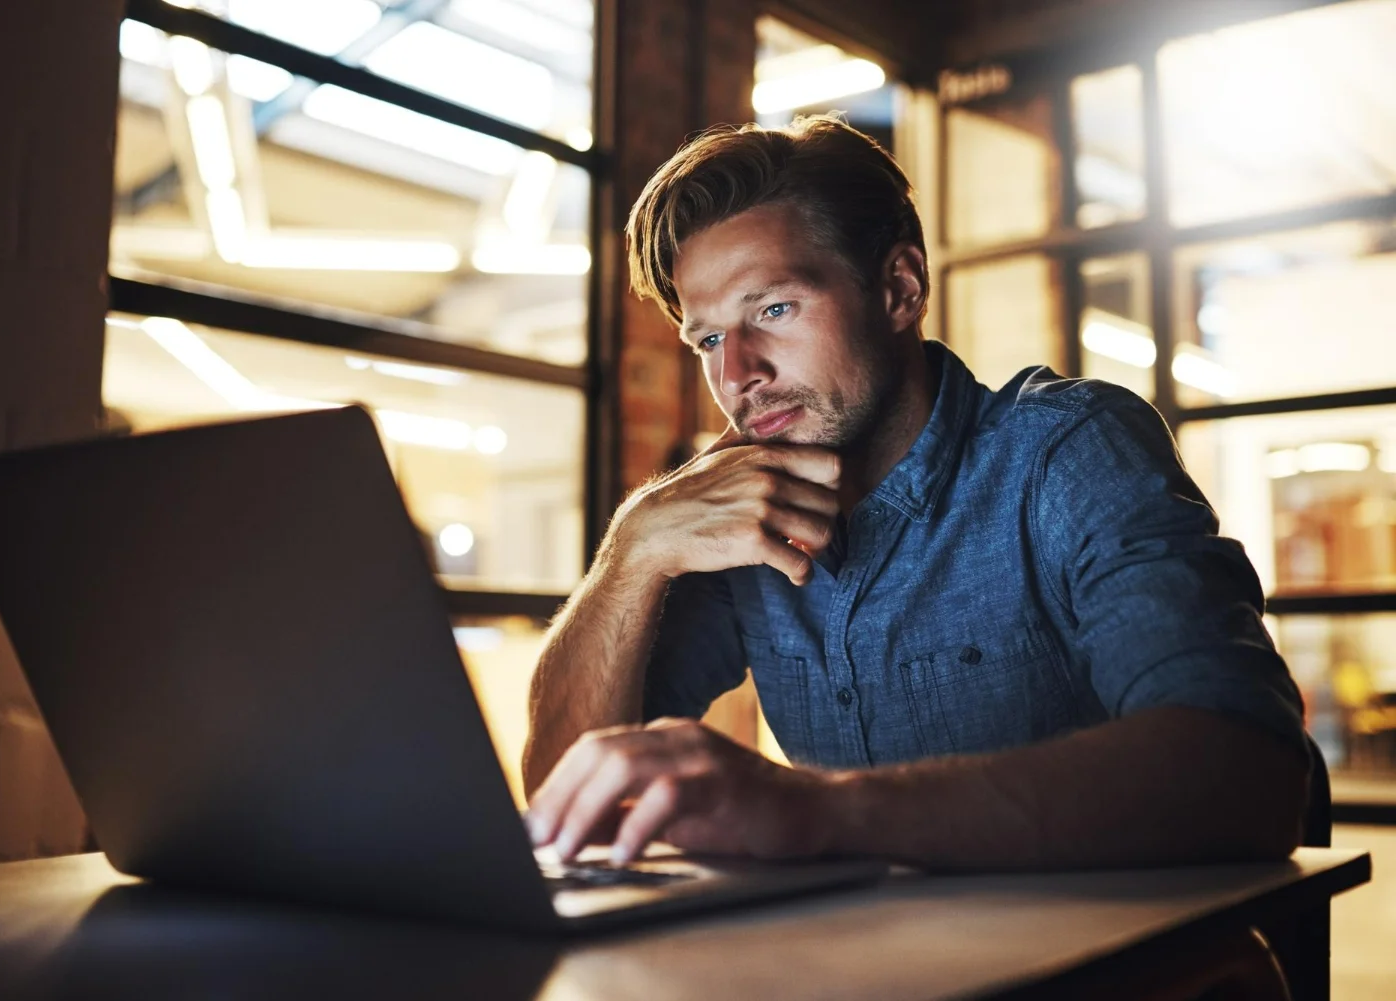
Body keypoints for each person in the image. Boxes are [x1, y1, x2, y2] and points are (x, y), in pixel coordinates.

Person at [521, 115, 1309, 872]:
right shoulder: (739, 509)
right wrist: (632, 551)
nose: (738, 376)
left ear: (899, 288)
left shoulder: (1065, 452)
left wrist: (815, 811)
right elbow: (564, 792)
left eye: (774, 309)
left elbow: (1250, 771)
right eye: (710, 339)